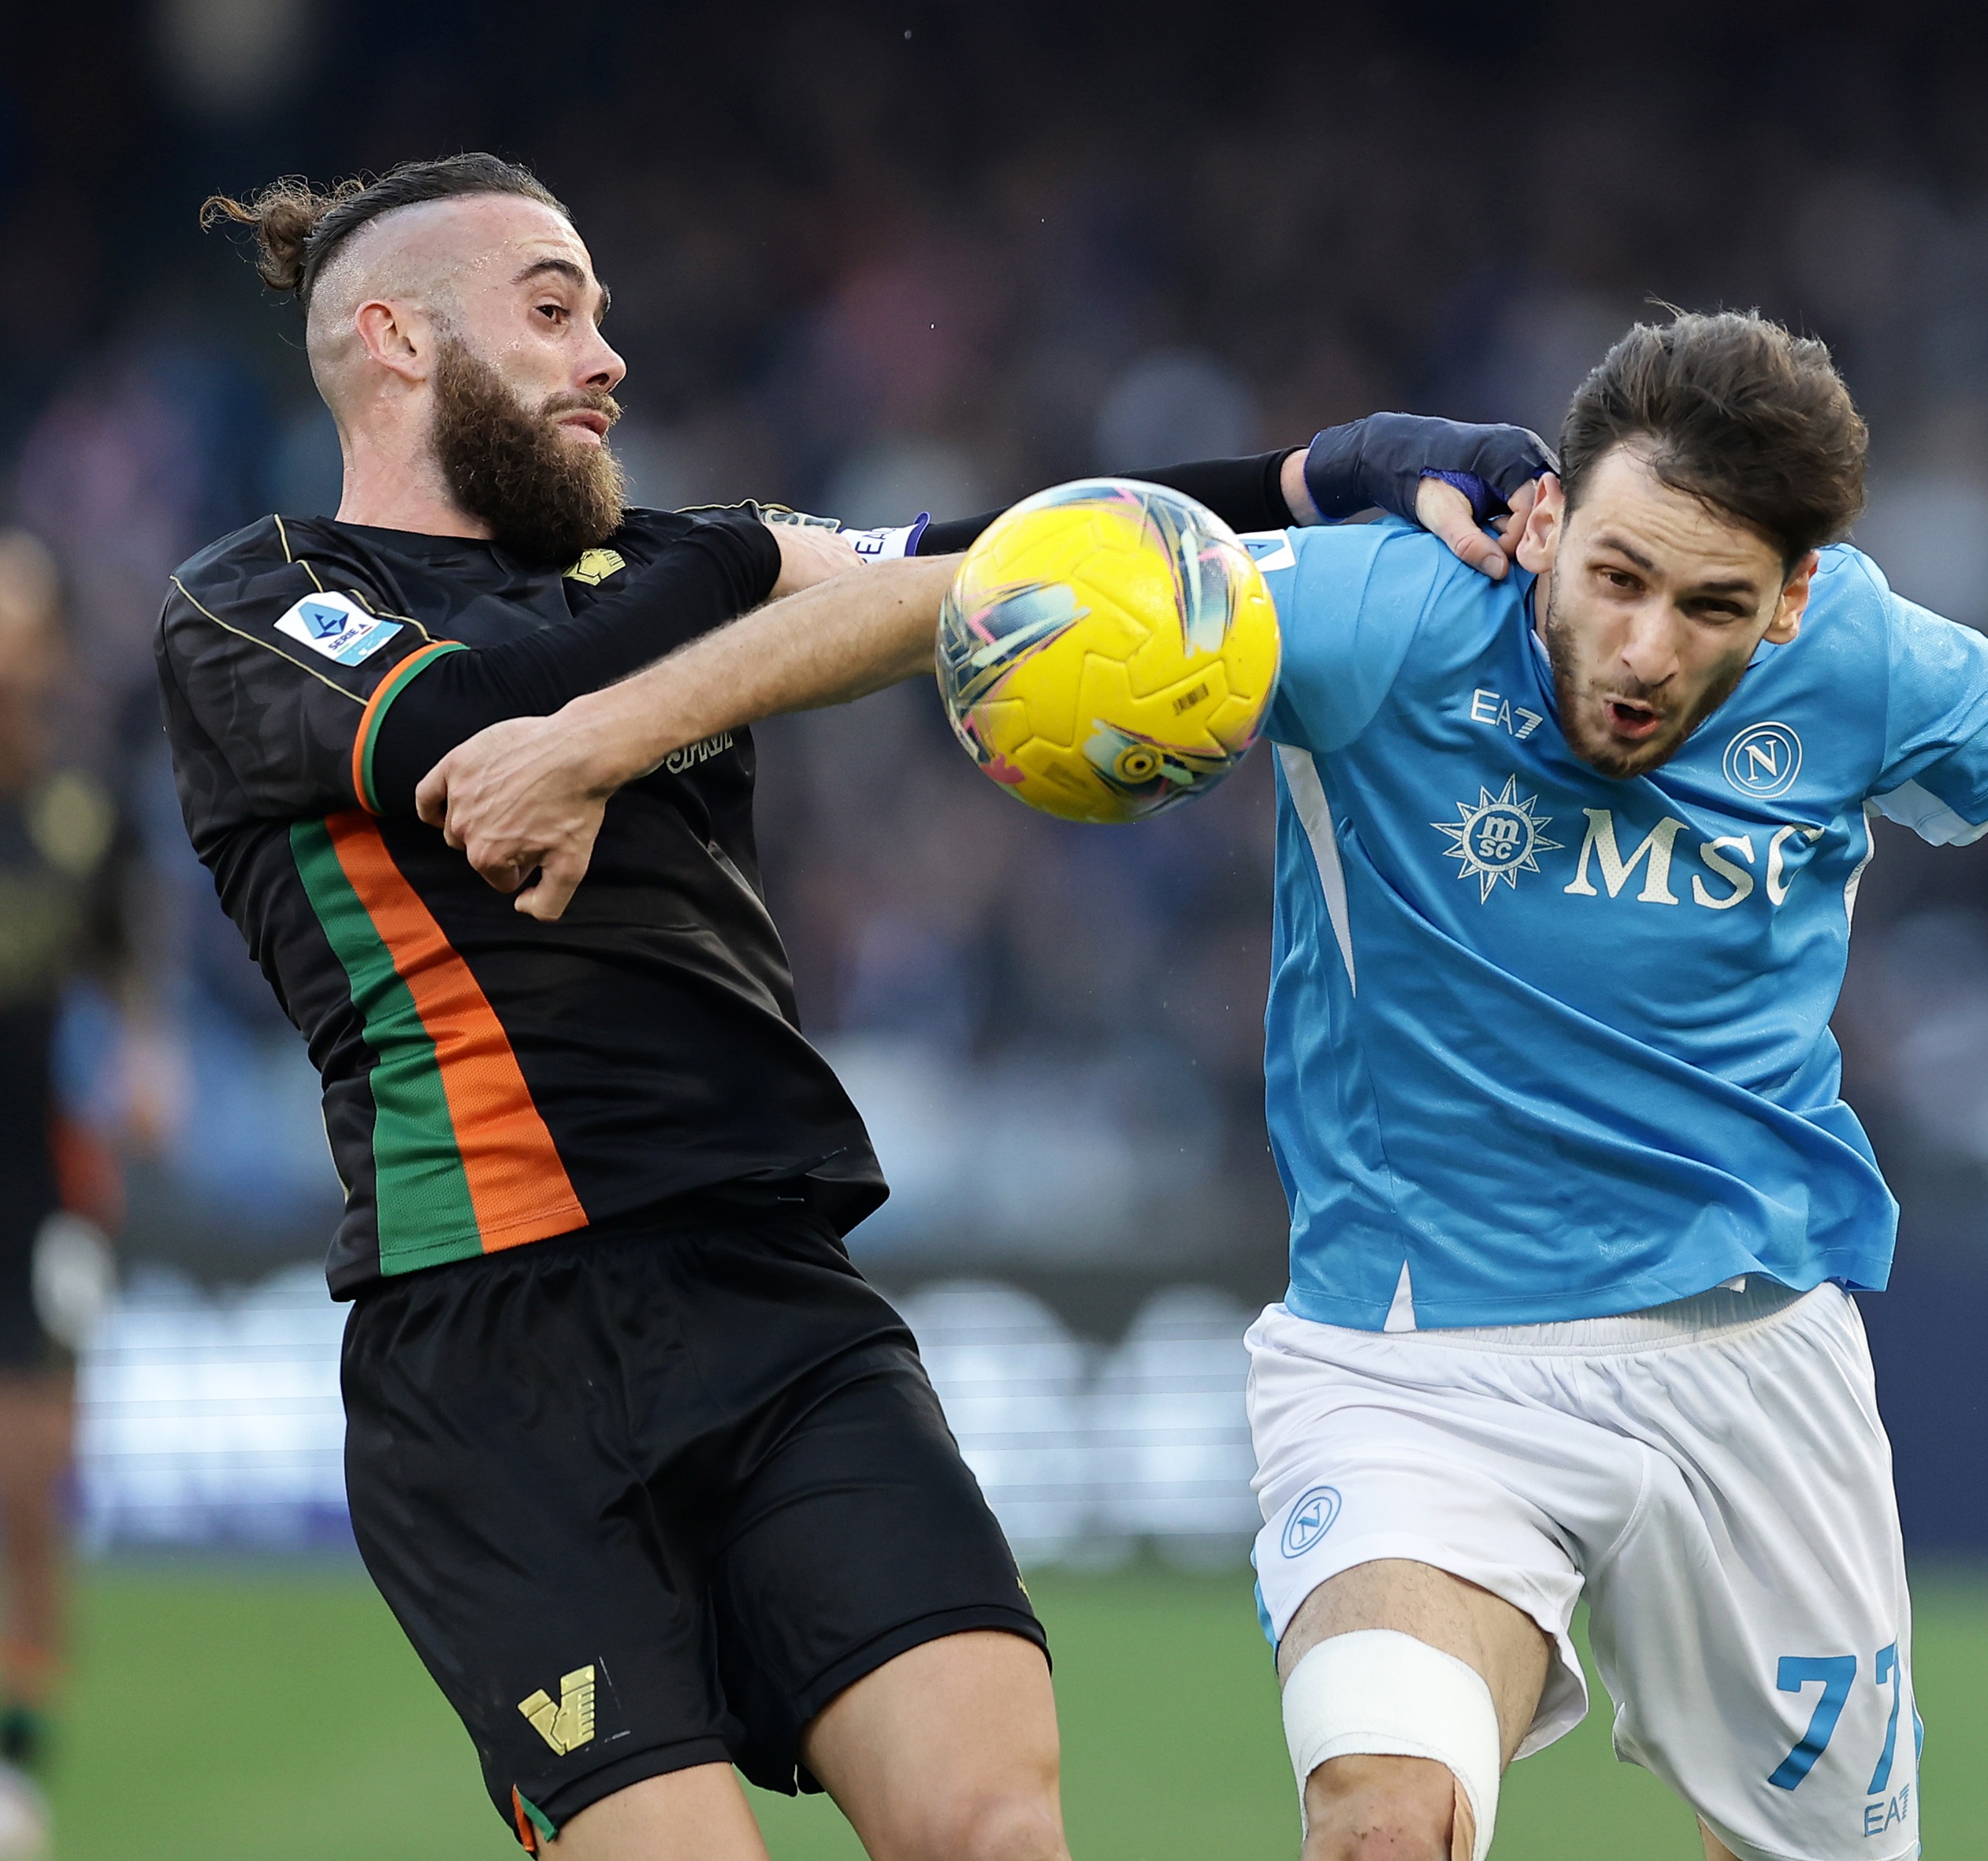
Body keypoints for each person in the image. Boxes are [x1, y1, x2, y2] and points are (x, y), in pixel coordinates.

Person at [418, 310, 1988, 1861]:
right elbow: (959, 587)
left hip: (1753, 1371)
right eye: (1611, 578)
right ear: (1551, 521)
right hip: (1418, 1362)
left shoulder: (1882, 670)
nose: (1639, 649)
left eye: (1707, 610)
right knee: (1386, 1817)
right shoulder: (1370, 613)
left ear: (1798, 602)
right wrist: (602, 736)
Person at [159, 151, 1550, 1860]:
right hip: (491, 1360)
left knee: (994, 1826)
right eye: (551, 310)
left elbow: (1013, 556)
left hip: (775, 1306)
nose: (605, 355)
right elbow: (484, 733)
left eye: (599, 311)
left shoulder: (657, 569)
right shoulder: (253, 599)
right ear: (393, 339)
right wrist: (746, 561)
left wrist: (1331, 469)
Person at [0, 532, 136, 1860]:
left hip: (38, 1184)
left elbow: (125, 969)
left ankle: (17, 1764)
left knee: (29, 1487)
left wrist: (147, 1061)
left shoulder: (83, 817)